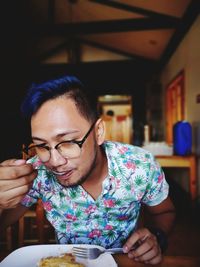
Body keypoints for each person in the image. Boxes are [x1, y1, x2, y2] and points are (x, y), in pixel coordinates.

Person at [0, 75, 175, 265]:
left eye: (67, 142)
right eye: (42, 145)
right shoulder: (36, 172)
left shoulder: (139, 166)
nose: (55, 161)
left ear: (98, 132)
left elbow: (164, 212)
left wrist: (157, 237)